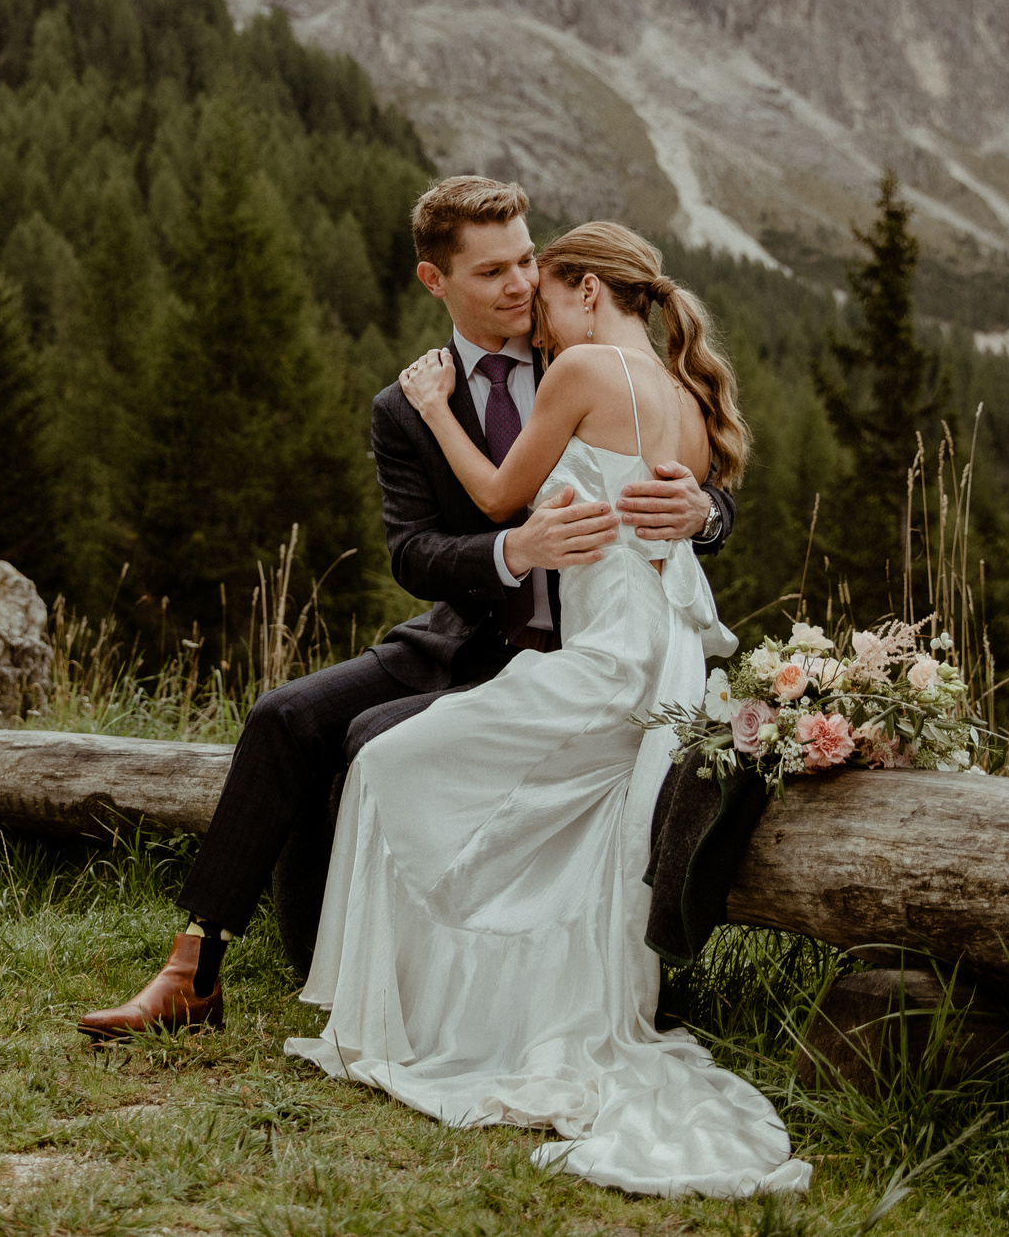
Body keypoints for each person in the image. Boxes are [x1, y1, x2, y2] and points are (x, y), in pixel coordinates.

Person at [75, 177, 734, 1039]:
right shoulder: (407, 406)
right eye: (493, 269)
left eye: (529, 261)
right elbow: (412, 551)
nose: (521, 284)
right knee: (284, 716)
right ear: (436, 281)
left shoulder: (583, 353)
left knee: (371, 742)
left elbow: (697, 484)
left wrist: (705, 512)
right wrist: (513, 551)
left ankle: (335, 959)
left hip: (577, 651)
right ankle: (190, 970)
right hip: (462, 638)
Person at [284, 219, 809, 1200]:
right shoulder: (687, 391)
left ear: (584, 290)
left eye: (547, 291)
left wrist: (435, 407)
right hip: (666, 667)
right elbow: (685, 518)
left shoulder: (581, 372)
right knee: (569, 849)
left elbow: (494, 500)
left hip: (606, 662)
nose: (539, 315)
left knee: (390, 768)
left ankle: (408, 1022)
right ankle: (496, 1016)